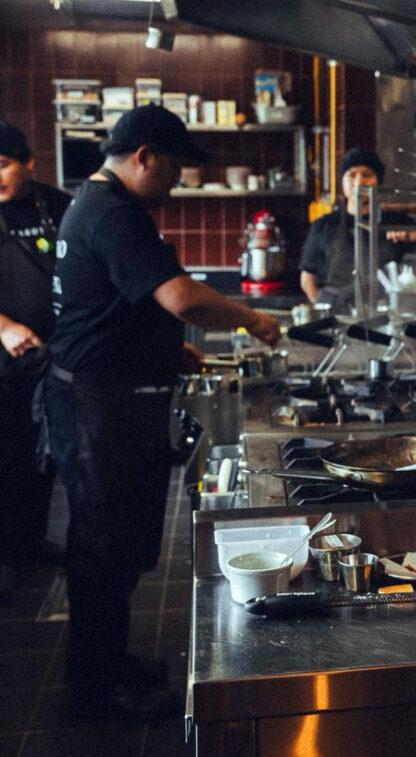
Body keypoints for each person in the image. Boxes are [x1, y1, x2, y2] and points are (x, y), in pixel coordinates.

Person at [45, 104, 280, 721]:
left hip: (99, 400)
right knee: (103, 552)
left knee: (113, 548)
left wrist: (162, 349)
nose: (176, 182)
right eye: (173, 168)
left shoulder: (93, 204)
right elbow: (180, 297)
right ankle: (95, 692)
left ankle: (108, 664)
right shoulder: (114, 213)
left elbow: (109, 304)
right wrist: (252, 318)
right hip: (99, 409)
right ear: (144, 156)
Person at [0, 121, 71, 597]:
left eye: (3, 164)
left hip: (50, 355)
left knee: (41, 454)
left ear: (29, 162)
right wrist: (3, 325)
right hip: (3, 358)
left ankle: (31, 541)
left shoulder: (59, 205)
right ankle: (7, 558)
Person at [299, 147, 416, 310]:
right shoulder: (323, 224)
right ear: (342, 181)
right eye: (352, 174)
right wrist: (324, 309)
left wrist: (415, 235)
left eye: (367, 175)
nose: (359, 182)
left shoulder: (395, 222)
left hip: (382, 311)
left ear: (378, 182)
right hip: (334, 310)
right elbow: (307, 279)